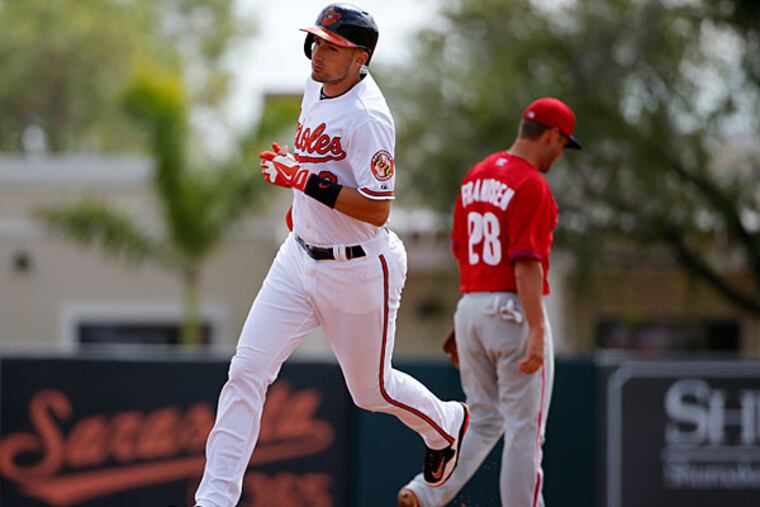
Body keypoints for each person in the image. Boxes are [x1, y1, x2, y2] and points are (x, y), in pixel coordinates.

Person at [194, 4, 469, 507]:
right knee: (246, 371)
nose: (318, 52)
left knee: (372, 392)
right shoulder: (314, 85)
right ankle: (215, 499)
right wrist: (296, 174)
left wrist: (300, 179)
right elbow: (319, 166)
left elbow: (377, 209)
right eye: (316, 41)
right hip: (297, 260)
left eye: (331, 45)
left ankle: (447, 424)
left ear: (360, 57)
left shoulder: (369, 117)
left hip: (360, 267)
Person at [397, 97, 582, 507]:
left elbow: (463, 250)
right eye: (561, 145)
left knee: (484, 419)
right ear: (551, 136)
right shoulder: (531, 183)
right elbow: (526, 263)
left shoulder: (476, 176)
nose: (559, 154)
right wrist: (536, 328)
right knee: (525, 431)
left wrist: (464, 321)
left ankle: (425, 492)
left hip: (472, 308)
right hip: (513, 312)